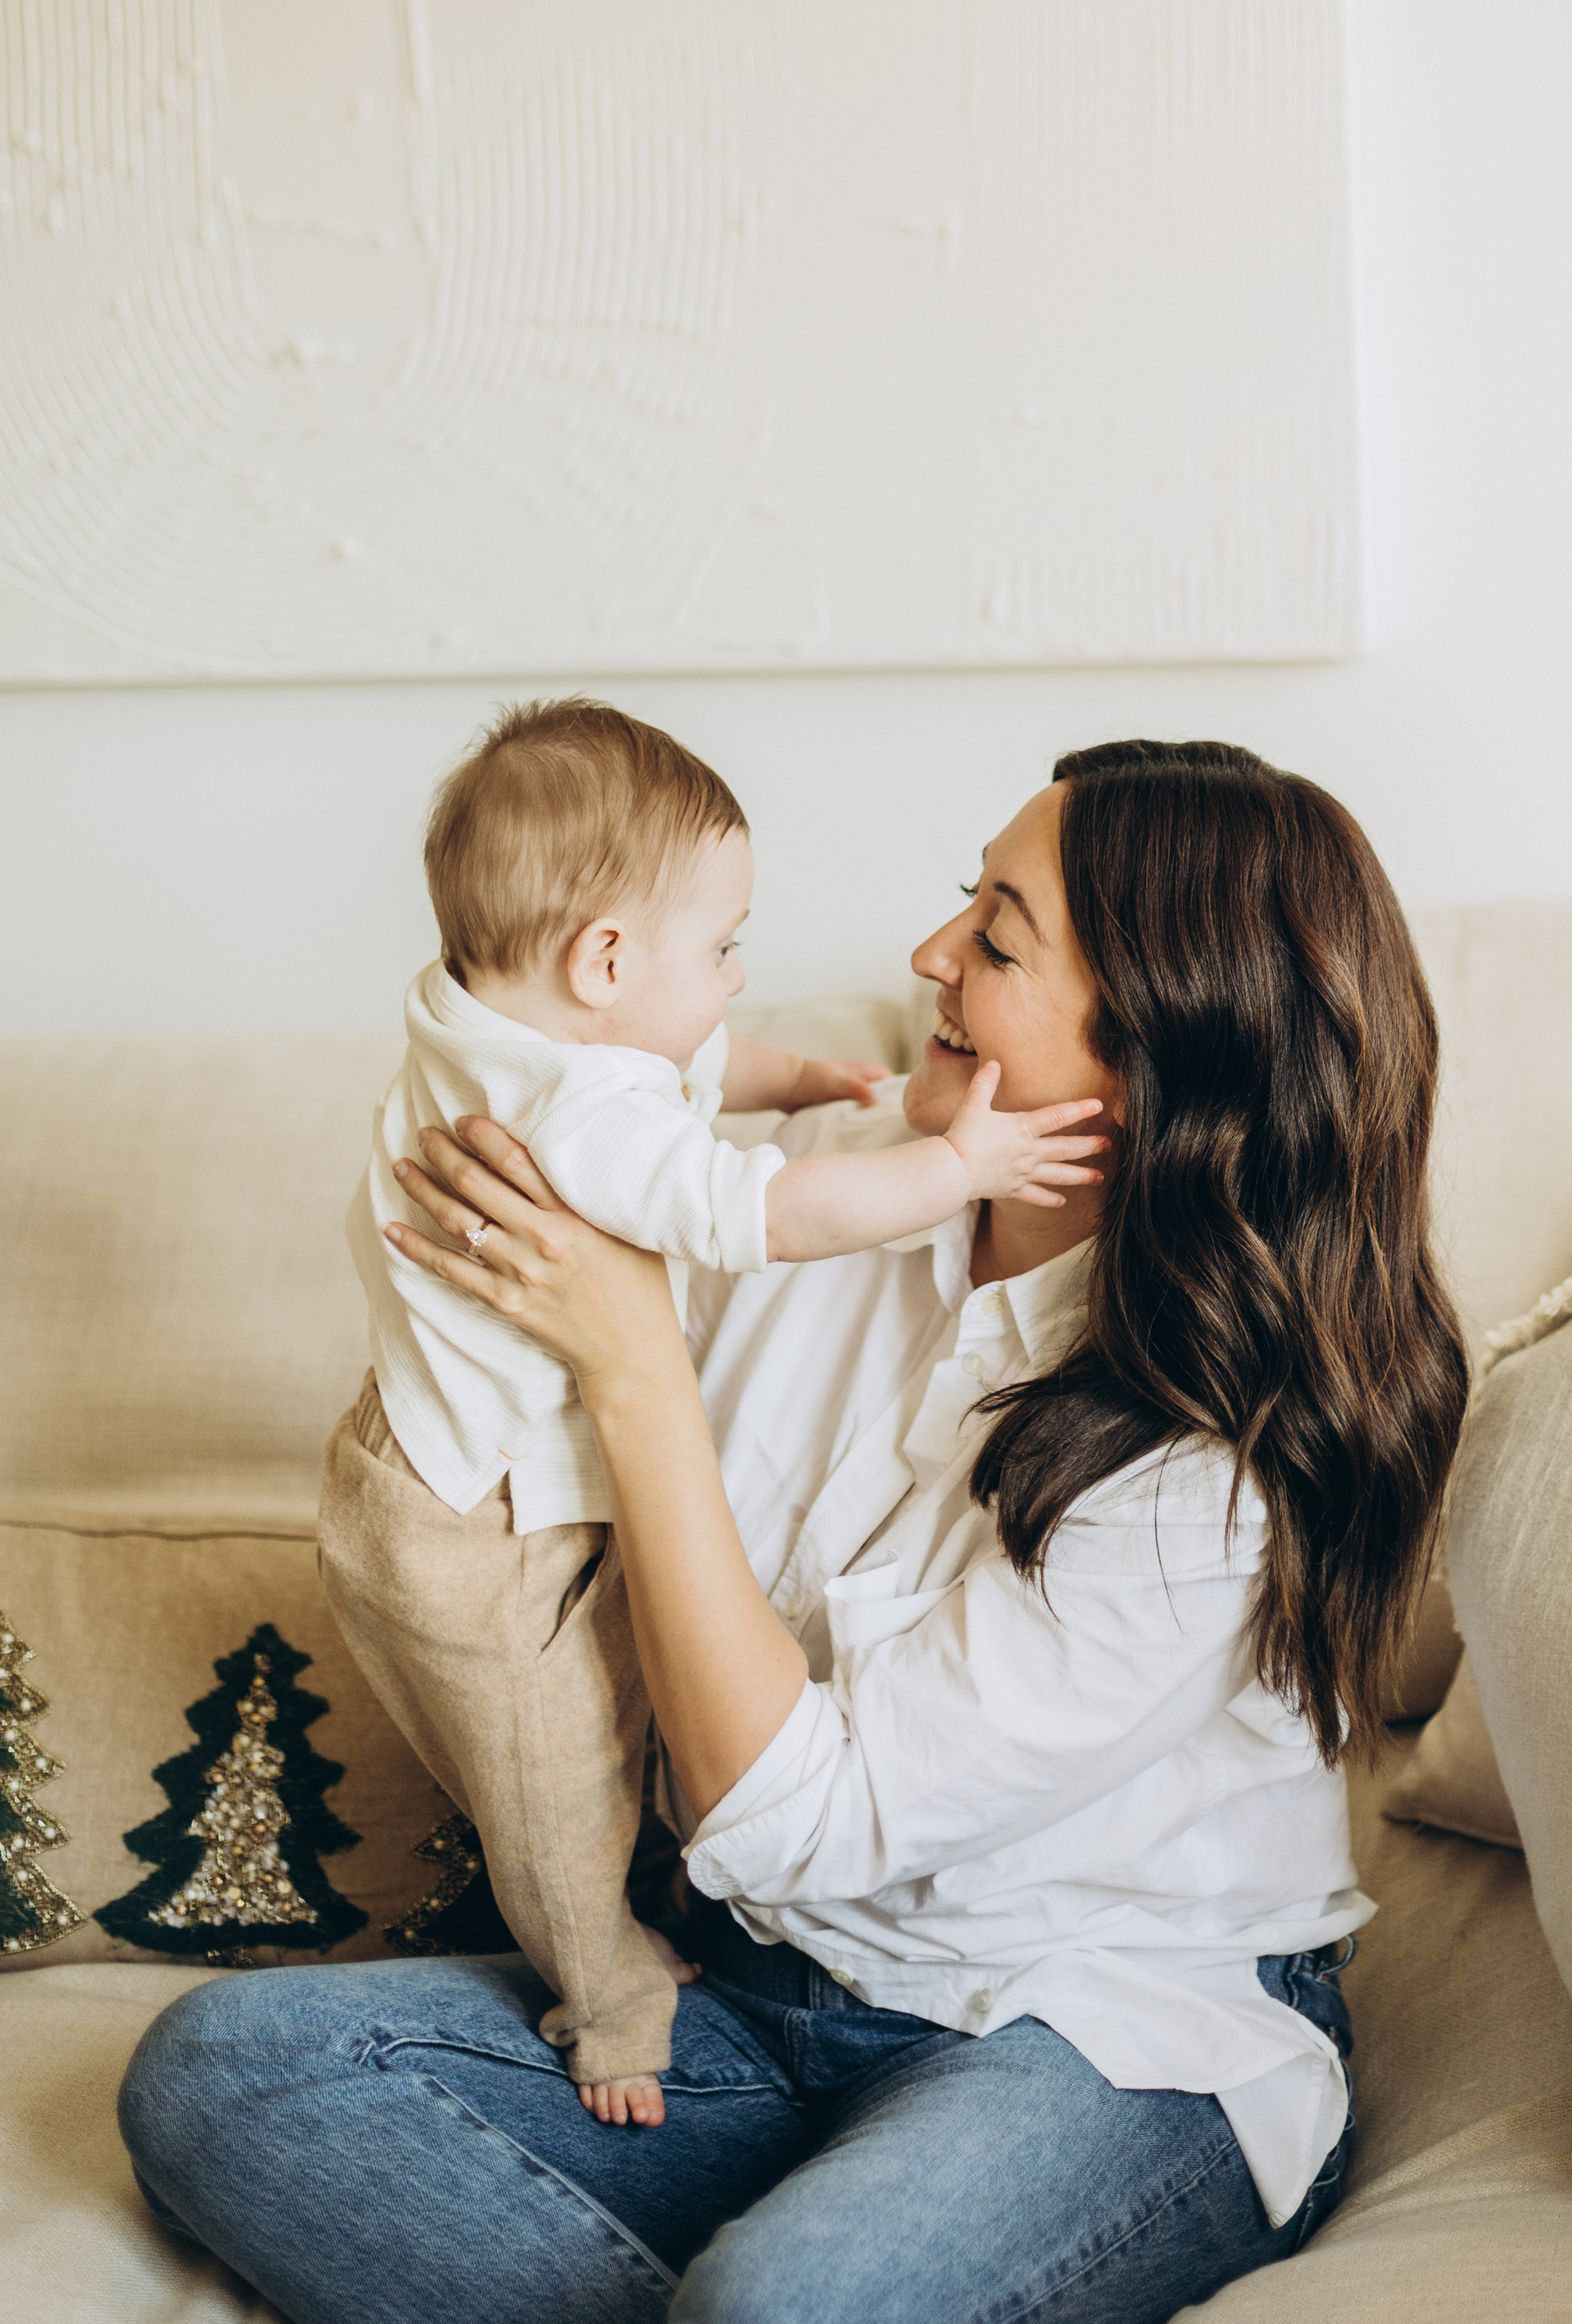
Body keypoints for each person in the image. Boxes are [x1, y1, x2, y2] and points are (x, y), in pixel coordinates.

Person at [120, 738, 1470, 2324]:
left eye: (998, 940)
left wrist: (635, 1371)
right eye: (964, 899)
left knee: (786, 2307)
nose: (928, 954)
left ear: (1156, 1048)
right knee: (225, 2077)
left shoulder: (1216, 1469)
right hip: (754, 1992)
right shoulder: (819, 1193)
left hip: (1093, 2028)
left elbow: (796, 1819)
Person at [321, 698, 1105, 2113]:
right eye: (725, 950)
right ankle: (607, 1987)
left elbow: (696, 1070)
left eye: (995, 941)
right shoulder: (611, 1126)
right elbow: (760, 1210)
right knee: (555, 1763)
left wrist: (799, 1080)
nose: (926, 955)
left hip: (1025, 2001)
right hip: (480, 1508)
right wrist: (956, 1166)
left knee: (594, 1728)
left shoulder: (499, 1021)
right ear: (605, 962)